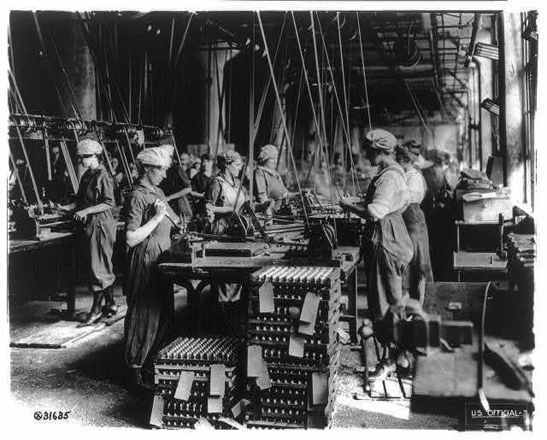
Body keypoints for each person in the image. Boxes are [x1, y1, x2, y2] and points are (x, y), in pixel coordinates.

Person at [339, 129, 413, 379]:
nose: (365, 154)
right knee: (394, 300)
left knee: (384, 304)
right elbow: (391, 205)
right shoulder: (393, 173)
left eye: (369, 150)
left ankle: (391, 359)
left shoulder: (388, 178)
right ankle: (401, 356)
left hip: (385, 240)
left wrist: (349, 205)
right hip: (395, 235)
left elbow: (376, 212)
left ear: (379, 151)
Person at [123, 144, 179, 388]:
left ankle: (150, 365)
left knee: (163, 312)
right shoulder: (137, 195)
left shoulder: (157, 191)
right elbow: (131, 238)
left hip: (161, 257)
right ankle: (135, 373)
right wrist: (157, 218)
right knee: (144, 315)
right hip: (147, 259)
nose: (165, 174)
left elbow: (174, 219)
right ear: (147, 169)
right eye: (161, 169)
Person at [58, 139, 117, 325]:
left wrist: (85, 211)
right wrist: (64, 208)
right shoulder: (86, 176)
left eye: (84, 157)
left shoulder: (103, 176)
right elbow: (80, 201)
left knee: (97, 267)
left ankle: (96, 309)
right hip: (90, 226)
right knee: (97, 266)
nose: (81, 161)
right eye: (80, 157)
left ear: (94, 157)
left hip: (101, 226)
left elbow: (109, 202)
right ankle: (112, 303)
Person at [203, 150, 247, 333]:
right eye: (237, 165)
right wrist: (229, 210)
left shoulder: (236, 183)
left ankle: (233, 319)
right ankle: (219, 325)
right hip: (221, 233)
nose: (239, 169)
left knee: (235, 276)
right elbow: (208, 207)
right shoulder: (216, 182)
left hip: (236, 232)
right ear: (227, 165)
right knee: (223, 278)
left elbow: (242, 204)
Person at [395, 145, 434, 305]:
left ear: (405, 161)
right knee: (409, 260)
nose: (397, 164)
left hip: (413, 219)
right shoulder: (406, 175)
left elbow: (405, 201)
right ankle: (411, 300)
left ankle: (422, 302)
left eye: (398, 161)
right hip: (408, 218)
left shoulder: (414, 176)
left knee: (419, 261)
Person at [254, 144, 289, 223]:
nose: (275, 161)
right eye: (272, 159)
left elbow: (284, 190)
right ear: (265, 159)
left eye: (276, 158)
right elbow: (262, 196)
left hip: (282, 210)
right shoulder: (260, 173)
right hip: (270, 213)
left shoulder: (275, 174)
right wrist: (268, 215)